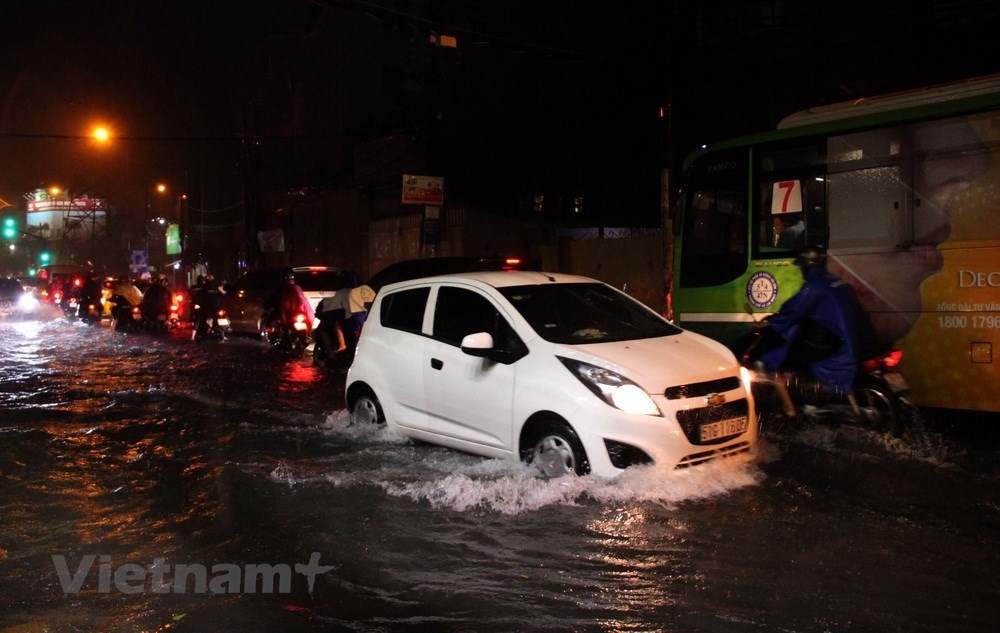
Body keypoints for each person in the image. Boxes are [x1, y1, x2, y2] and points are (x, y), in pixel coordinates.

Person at [755, 245, 873, 419]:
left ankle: (791, 411)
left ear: (806, 265)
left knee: (780, 361)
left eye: (801, 266)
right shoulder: (835, 281)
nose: (801, 270)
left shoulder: (814, 287)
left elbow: (793, 310)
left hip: (828, 340)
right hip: (850, 336)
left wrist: (770, 323)